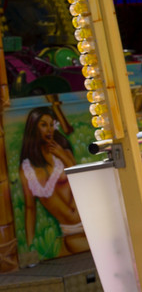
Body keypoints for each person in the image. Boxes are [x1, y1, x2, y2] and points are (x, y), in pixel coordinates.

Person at [18, 106, 86, 262]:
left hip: (88, 223)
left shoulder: (63, 152)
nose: (49, 129)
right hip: (70, 232)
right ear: (33, 128)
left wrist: (62, 155)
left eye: (51, 124)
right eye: (43, 125)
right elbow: (30, 208)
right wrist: (28, 246)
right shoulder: (27, 169)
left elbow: (81, 181)